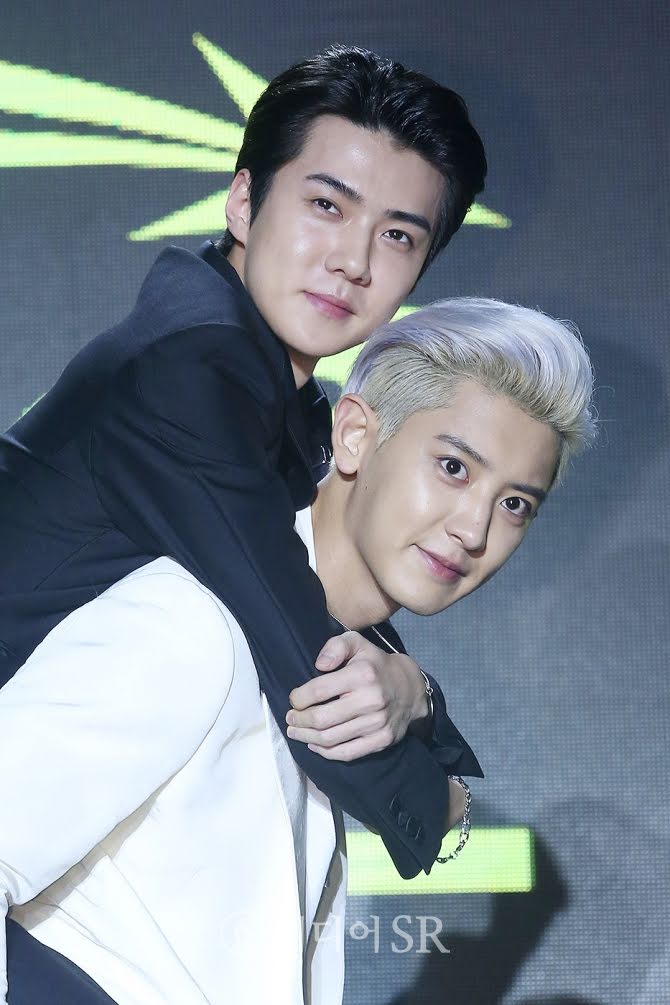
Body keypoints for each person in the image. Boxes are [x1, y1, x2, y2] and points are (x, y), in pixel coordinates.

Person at [0, 298, 596, 1005]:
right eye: (453, 467)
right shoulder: (197, 623)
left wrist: (421, 699)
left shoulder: (354, 670)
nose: (474, 529)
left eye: (515, 504)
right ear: (354, 435)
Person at [0, 45, 488, 879]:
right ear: (242, 200)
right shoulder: (194, 372)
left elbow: (321, 610)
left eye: (397, 236)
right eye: (327, 205)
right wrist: (444, 806)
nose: (354, 261)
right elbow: (312, 683)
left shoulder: (267, 388)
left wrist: (414, 690)